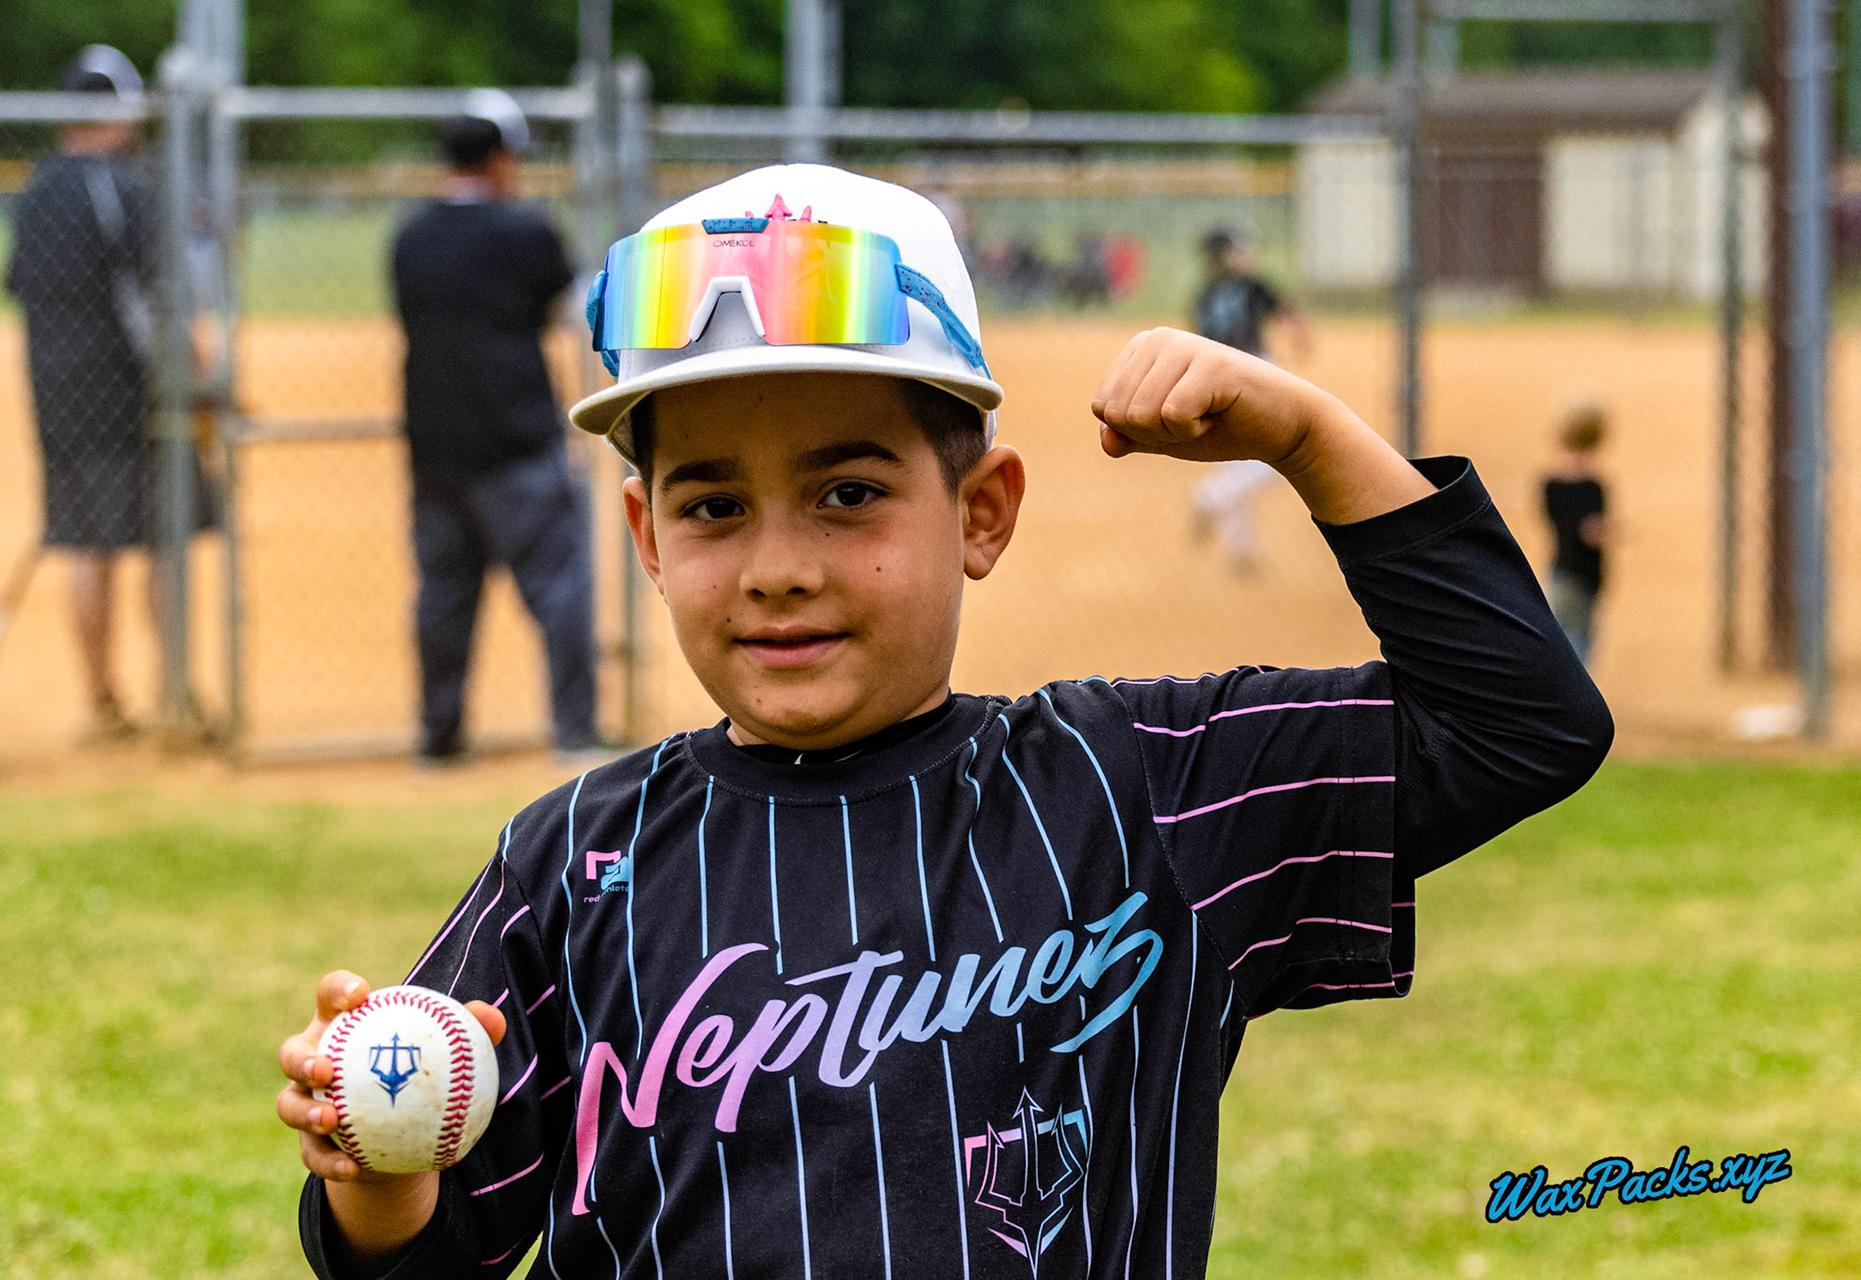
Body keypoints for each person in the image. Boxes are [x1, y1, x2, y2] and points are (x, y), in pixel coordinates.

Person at [275, 164, 1611, 1279]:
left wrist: (1304, 432)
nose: (777, 563)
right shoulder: (574, 864)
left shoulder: (1136, 796)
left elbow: (1518, 723)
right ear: (643, 533)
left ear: (982, 512)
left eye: (848, 494)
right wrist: (374, 1176)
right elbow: (420, 1255)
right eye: (711, 505)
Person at [392, 90, 596, 763]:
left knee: (444, 597)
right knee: (559, 588)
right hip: (517, 440)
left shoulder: (410, 237)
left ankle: (439, 738)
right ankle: (574, 732)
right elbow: (566, 307)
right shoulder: (524, 231)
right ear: (501, 157)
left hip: (435, 446)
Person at [4, 45, 163, 743]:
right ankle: (174, 695)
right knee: (163, 540)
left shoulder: (35, 187)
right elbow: (155, 299)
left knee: (84, 548)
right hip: (132, 393)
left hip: (55, 392)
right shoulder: (121, 188)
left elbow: (19, 287)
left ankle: (102, 701)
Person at [1188, 227, 1313, 573]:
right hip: (1257, 370)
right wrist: (1301, 336)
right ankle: (1209, 499)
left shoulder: (1201, 295)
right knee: (1278, 458)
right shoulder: (1252, 283)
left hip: (1215, 377)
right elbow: (1288, 315)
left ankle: (1241, 551)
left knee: (1234, 461)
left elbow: (1198, 345)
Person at [1541, 402, 1611, 664]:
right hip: (1584, 577)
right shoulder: (1593, 486)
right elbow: (1591, 530)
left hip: (1559, 572)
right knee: (1580, 648)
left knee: (1561, 644)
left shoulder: (1550, 483)